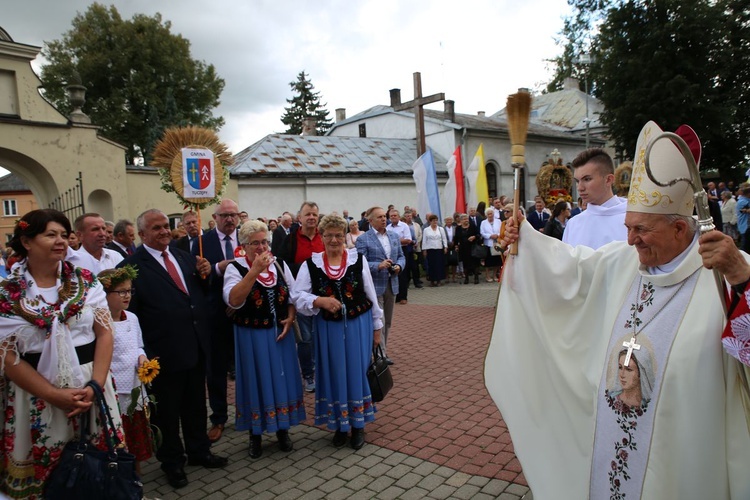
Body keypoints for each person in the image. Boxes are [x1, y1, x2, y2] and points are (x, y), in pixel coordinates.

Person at [486, 121, 750, 500]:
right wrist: (524, 238)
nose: (629, 240)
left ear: (679, 228)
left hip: (689, 455)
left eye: (641, 229)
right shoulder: (624, 260)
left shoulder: (726, 270)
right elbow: (571, 271)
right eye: (627, 227)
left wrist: (743, 281)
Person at [0, 209, 122, 498]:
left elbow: (105, 333)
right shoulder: (7, 293)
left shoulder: (86, 281)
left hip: (90, 383)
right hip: (35, 391)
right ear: (27, 241)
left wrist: (95, 384)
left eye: (64, 235)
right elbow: (7, 356)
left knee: (98, 468)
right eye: (50, 235)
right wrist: (52, 394)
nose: (60, 241)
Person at [120, 209, 227, 489]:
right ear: (142, 234)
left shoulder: (184, 255)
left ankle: (199, 451)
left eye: (166, 226)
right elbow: (130, 313)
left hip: (195, 345)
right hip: (162, 352)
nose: (164, 231)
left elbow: (200, 294)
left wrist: (206, 275)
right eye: (156, 228)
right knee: (166, 413)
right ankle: (172, 462)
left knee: (195, 405)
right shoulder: (132, 266)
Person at [293, 214, 383, 449]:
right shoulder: (310, 264)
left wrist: (377, 328)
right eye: (329, 235)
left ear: (344, 236)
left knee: (357, 371)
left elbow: (370, 294)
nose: (334, 240)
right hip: (328, 328)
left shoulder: (357, 260)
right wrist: (319, 300)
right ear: (321, 237)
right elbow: (297, 295)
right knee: (334, 373)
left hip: (358, 325)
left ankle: (358, 425)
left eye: (338, 235)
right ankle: (341, 425)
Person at [223, 220, 305, 459]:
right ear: (244, 246)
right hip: (251, 335)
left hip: (281, 335)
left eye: (264, 242)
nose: (261, 248)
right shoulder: (235, 268)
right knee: (255, 381)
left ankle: (282, 429)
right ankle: (255, 433)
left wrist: (290, 317)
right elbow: (233, 300)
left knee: (282, 379)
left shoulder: (278, 265)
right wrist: (254, 271)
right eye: (255, 243)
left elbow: (293, 295)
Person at [99, 266, 153, 474]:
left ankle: (135, 483)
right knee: (118, 443)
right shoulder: (100, 323)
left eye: (129, 291)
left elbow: (138, 344)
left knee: (135, 441)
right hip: (113, 393)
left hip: (134, 389)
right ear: (104, 294)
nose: (127, 296)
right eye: (121, 291)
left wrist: (142, 357)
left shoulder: (132, 318)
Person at [195, 199, 240, 443]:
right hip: (214, 314)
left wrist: (238, 302)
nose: (230, 219)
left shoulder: (247, 238)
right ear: (215, 217)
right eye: (225, 215)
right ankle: (219, 417)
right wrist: (217, 268)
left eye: (233, 215)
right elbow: (196, 276)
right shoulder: (202, 242)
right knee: (216, 369)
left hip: (243, 313)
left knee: (245, 365)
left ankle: (248, 410)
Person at [278, 201, 324, 392]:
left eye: (314, 214)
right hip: (302, 296)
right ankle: (308, 374)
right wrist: (307, 267)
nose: (311, 218)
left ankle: (322, 371)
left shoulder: (325, 236)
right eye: (308, 214)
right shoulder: (290, 240)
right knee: (305, 338)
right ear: (300, 218)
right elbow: (281, 265)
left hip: (323, 296)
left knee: (322, 336)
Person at [355, 207, 404, 365]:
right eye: (380, 217)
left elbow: (401, 256)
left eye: (385, 216)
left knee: (388, 321)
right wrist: (378, 265)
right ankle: (380, 354)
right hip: (374, 285)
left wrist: (399, 266)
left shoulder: (394, 236)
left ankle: (382, 349)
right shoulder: (364, 239)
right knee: (379, 320)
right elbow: (360, 263)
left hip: (392, 282)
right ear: (370, 221)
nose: (384, 219)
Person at [563, 148, 627, 249]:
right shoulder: (574, 224)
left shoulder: (631, 221)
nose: (580, 188)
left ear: (608, 180)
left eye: (587, 179)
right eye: (577, 181)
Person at [387, 209, 414, 305]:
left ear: (399, 216)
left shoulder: (404, 226)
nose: (393, 217)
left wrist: (395, 240)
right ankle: (396, 296)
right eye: (391, 216)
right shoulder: (388, 227)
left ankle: (403, 297)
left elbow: (408, 240)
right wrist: (399, 239)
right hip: (391, 252)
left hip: (403, 250)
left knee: (403, 273)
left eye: (395, 215)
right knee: (394, 273)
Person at [421, 215, 448, 286]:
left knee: (439, 265)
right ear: (430, 221)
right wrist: (424, 250)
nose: (435, 222)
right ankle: (432, 280)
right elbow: (424, 240)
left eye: (436, 220)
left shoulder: (440, 229)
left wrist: (445, 247)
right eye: (433, 220)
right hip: (430, 249)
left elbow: (444, 238)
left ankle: (439, 280)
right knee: (431, 265)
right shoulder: (426, 230)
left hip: (439, 249)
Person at [455, 213, 481, 284]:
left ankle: (476, 277)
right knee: (465, 264)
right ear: (461, 220)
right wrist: (456, 246)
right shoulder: (458, 228)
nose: (466, 220)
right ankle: (466, 278)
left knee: (475, 263)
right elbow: (456, 238)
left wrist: (474, 237)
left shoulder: (473, 226)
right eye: (464, 219)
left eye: (467, 219)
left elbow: (478, 235)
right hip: (463, 248)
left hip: (473, 247)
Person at [480, 208, 501, 282]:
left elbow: (502, 230)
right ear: (486, 215)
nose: (490, 215)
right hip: (488, 243)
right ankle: (487, 276)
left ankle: (495, 275)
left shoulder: (498, 221)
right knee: (488, 261)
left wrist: (497, 235)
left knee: (497, 260)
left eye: (491, 213)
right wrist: (490, 236)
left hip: (497, 243)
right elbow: (482, 232)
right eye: (488, 214)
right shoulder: (483, 222)